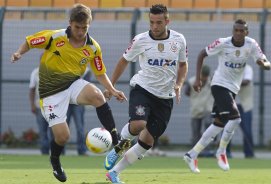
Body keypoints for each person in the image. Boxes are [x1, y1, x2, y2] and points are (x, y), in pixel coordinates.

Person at [11, 4, 129, 182]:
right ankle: (55, 161)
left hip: (72, 85)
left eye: (84, 28)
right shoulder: (55, 37)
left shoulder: (93, 47)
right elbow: (30, 41)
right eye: (77, 27)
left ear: (89, 25)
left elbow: (99, 72)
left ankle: (116, 141)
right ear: (70, 23)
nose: (81, 32)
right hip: (50, 93)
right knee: (63, 136)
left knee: (98, 95)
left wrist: (112, 89)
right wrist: (19, 53)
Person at [103, 4, 188, 183]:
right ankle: (118, 148)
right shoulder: (140, 40)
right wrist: (111, 87)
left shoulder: (179, 40)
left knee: (147, 142)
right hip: (143, 89)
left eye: (158, 23)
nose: (154, 27)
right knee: (138, 124)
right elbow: (123, 61)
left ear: (167, 21)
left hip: (165, 97)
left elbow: (183, 64)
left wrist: (179, 84)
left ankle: (114, 173)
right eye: (151, 22)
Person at [183, 19, 271, 173]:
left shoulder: (251, 44)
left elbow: (263, 60)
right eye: (236, 30)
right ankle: (221, 152)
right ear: (233, 31)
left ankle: (192, 154)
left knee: (218, 123)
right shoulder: (222, 43)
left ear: (246, 32)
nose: (238, 33)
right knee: (235, 118)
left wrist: (264, 64)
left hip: (233, 88)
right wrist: (197, 79)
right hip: (219, 84)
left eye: (241, 31)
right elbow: (202, 54)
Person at [185, 65, 213, 147]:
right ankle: (195, 151)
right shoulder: (192, 81)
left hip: (207, 108)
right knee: (195, 131)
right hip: (196, 108)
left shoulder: (211, 81)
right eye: (203, 75)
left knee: (208, 126)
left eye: (206, 76)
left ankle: (208, 149)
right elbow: (186, 92)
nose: (204, 78)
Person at [29, 59, 52, 155]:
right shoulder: (35, 72)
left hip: (54, 107)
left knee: (56, 132)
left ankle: (59, 153)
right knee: (43, 132)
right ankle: (44, 153)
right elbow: (32, 89)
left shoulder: (57, 71)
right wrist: (32, 105)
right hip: (40, 107)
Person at [66, 68, 91, 155]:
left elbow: (85, 86)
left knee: (80, 128)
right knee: (64, 127)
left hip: (78, 103)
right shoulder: (66, 66)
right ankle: (60, 151)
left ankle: (81, 150)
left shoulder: (86, 71)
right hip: (66, 102)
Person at [237, 64, 255, 158]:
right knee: (227, 130)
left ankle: (249, 154)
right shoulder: (230, 67)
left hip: (245, 106)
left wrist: (233, 81)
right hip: (232, 105)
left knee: (247, 130)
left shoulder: (248, 68)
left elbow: (246, 81)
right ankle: (225, 153)